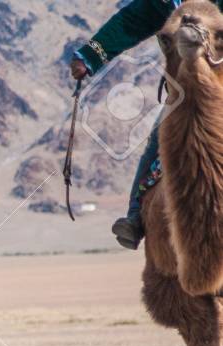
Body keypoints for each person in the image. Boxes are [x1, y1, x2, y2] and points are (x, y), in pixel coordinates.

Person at [67, 0, 205, 250]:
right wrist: (88, 57)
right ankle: (135, 218)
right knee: (159, 141)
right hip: (185, 93)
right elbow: (129, 23)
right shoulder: (163, 4)